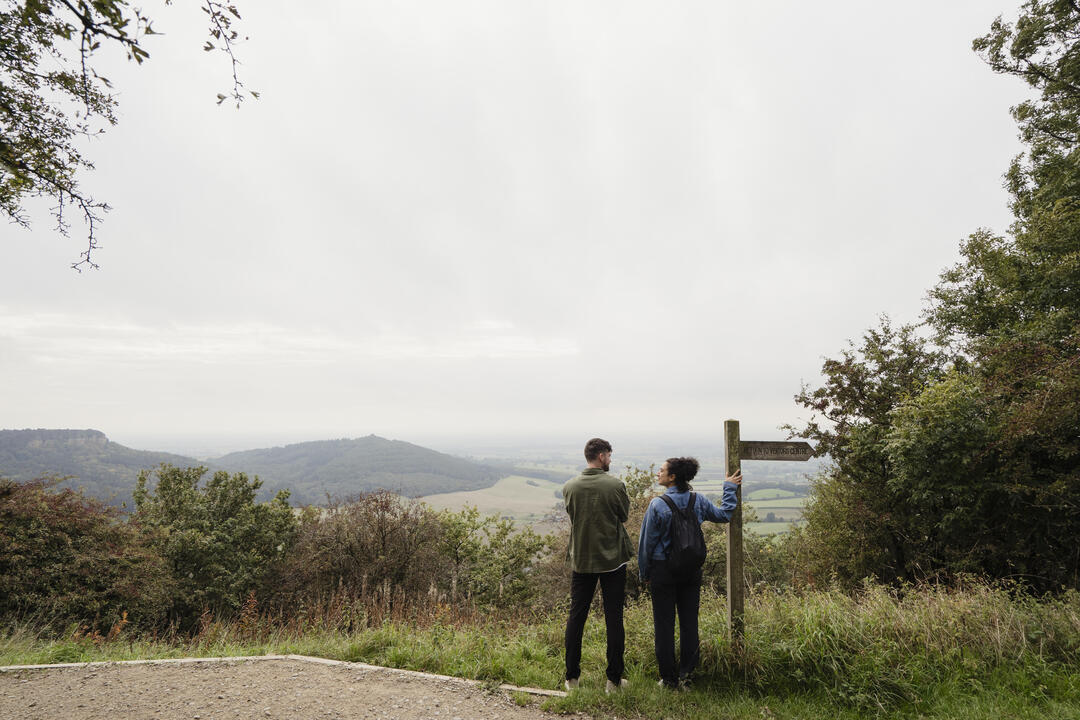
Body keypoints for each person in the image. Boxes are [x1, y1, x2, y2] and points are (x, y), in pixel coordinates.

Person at [638, 457, 741, 690]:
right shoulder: (699, 500)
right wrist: (729, 487)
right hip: (691, 571)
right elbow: (724, 515)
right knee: (689, 624)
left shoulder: (658, 504)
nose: (658, 474)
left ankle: (669, 680)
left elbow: (647, 545)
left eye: (662, 471)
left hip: (663, 570)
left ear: (673, 477)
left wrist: (645, 572)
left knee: (664, 626)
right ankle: (687, 676)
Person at [562, 437, 634, 694]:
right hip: (613, 560)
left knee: (576, 616)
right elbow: (624, 516)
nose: (610, 460)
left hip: (582, 559)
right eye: (610, 456)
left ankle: (572, 679)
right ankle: (613, 681)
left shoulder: (570, 487)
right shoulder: (615, 485)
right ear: (602, 456)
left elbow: (574, 517)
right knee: (614, 618)